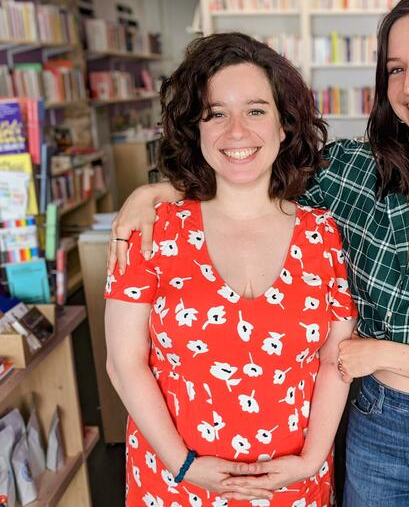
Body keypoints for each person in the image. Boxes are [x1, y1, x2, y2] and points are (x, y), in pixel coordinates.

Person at [109, 0, 409, 507]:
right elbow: (247, 168)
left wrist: (378, 352)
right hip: (372, 425)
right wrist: (153, 192)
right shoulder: (350, 172)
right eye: (395, 68)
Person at [104, 32, 356, 506]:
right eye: (215, 113)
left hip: (291, 481)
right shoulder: (151, 230)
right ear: (194, 129)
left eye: (256, 110)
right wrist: (183, 463)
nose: (236, 131)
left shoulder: (321, 233)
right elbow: (123, 363)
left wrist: (312, 459)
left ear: (284, 126)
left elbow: (334, 360)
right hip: (174, 480)